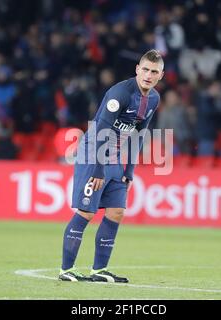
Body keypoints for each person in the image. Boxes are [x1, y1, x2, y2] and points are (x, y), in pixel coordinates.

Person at [59, 50, 164, 282]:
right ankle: (66, 270)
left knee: (117, 211)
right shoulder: (121, 93)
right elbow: (100, 129)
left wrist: (129, 170)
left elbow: (139, 133)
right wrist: (97, 169)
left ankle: (99, 270)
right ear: (137, 69)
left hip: (115, 156)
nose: (148, 75)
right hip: (93, 153)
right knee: (87, 211)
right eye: (145, 69)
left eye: (154, 71)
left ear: (160, 75)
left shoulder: (153, 99)